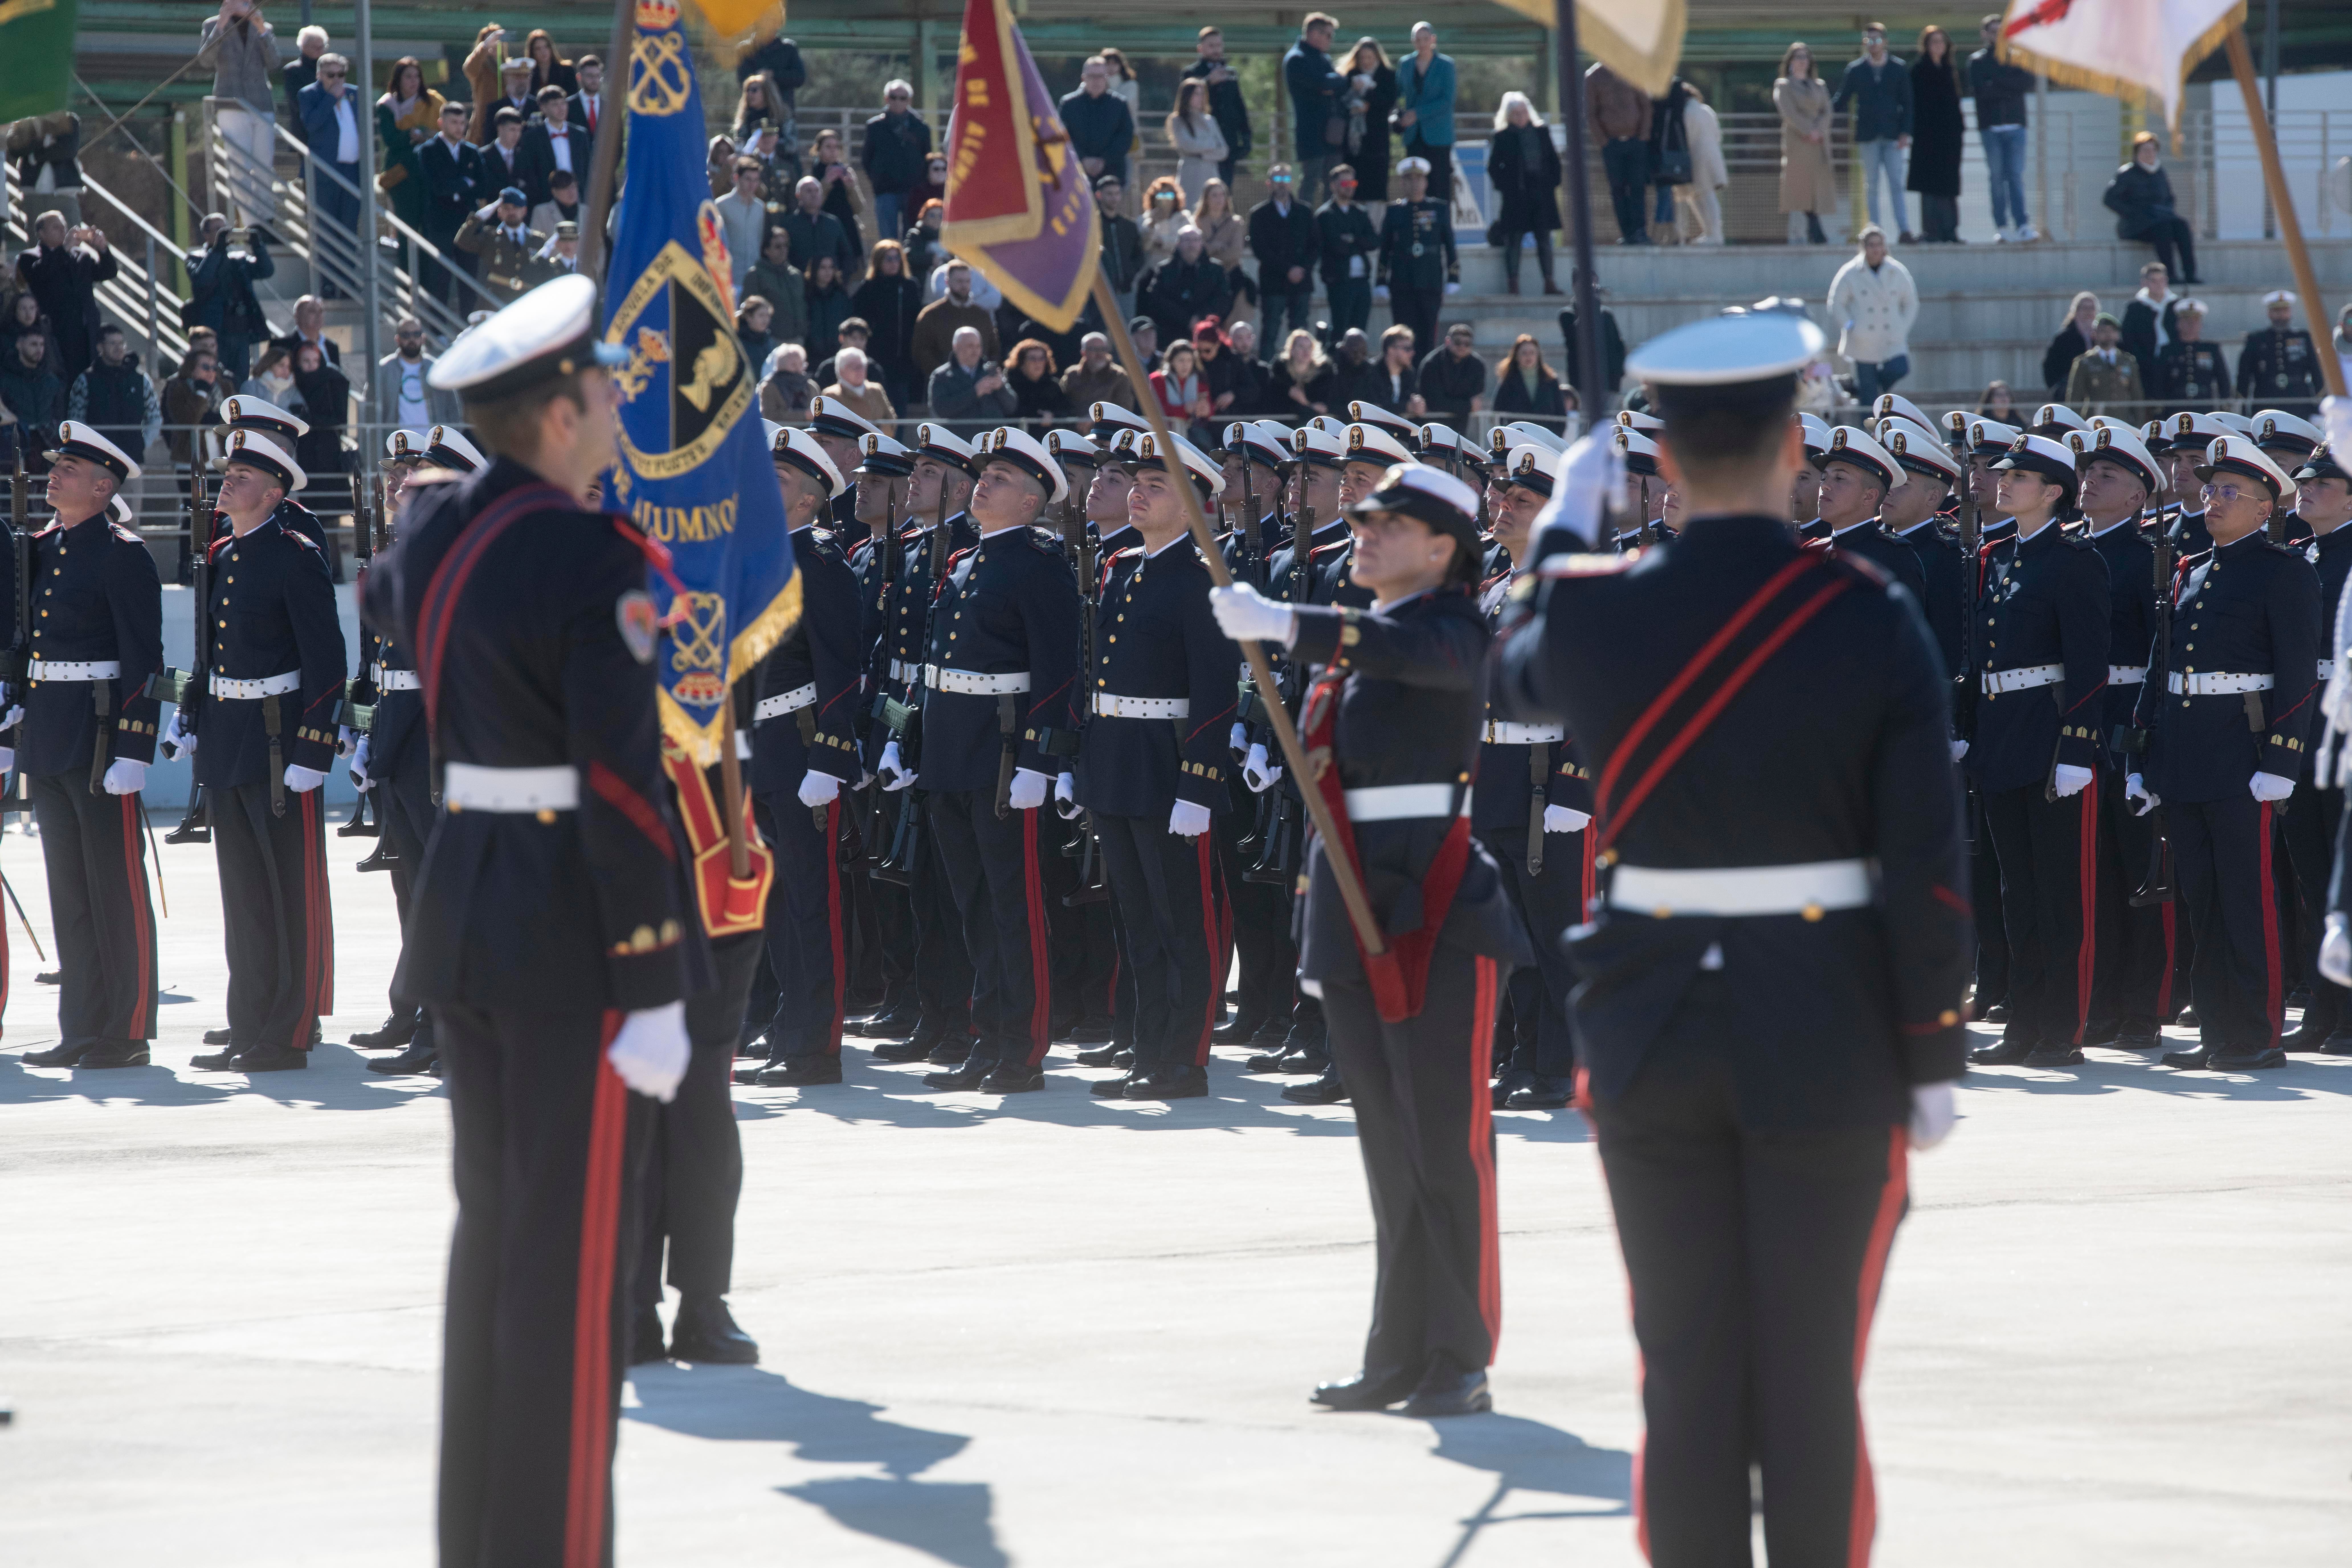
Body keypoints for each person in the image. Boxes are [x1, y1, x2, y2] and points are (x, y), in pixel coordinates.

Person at [1495, 304, 1967, 1554]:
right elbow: (1927, 857)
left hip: (1649, 1025)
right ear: (1793, 451)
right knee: (1810, 1380)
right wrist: (1932, 1050)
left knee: (1687, 1375)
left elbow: (1507, 663)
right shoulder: (1867, 610)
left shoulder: (1593, 606)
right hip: (1829, 1027)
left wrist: (1560, 530)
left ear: (1656, 464)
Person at [357, 273, 695, 1561]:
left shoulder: (441, 527)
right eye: (602, 390)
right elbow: (619, 783)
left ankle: (480, 1541)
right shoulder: (592, 559)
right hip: (572, 939)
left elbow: (385, 595)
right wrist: (658, 977)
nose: (616, 406)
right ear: (558, 412)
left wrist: (484, 500)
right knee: (570, 1274)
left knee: (495, 1245)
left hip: (466, 911)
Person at [1212, 454, 1524, 1414]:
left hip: (1434, 912)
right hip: (1352, 914)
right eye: (1362, 520)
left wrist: (1290, 627)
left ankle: (1458, 1353)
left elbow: (1407, 656)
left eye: (1390, 525)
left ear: (1443, 549)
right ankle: (1395, 1351)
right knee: (1387, 1149)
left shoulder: (1454, 626)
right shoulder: (1364, 640)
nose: (1365, 531)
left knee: (1446, 1143)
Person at [879, 427, 1081, 1093]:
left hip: (1001, 758)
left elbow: (1056, 674)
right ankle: (987, 1034)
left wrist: (1039, 760)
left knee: (1012, 905)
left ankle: (1021, 1047)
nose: (982, 485)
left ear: (1030, 503)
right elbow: (936, 670)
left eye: (998, 478)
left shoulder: (1040, 564)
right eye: (983, 474)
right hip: (951, 752)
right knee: (972, 903)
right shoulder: (963, 563)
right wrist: (909, 743)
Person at [2129, 434, 2318, 1071]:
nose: (2213, 499)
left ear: (2267, 508)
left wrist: (2282, 761)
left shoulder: (2285, 570)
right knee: (2202, 899)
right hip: (2188, 755)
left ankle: (2256, 1032)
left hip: (2244, 753)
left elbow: (2297, 674)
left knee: (2245, 896)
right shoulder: (2190, 570)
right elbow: (2165, 669)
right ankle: (2217, 1029)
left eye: (2230, 492)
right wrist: (2144, 755)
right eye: (2211, 489)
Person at [166, 421, 342, 1074]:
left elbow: (327, 659)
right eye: (227, 475)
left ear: (273, 494)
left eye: (241, 479)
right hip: (231, 737)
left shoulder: (294, 555)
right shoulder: (223, 555)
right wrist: (192, 717)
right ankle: (250, 1022)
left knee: (283, 891)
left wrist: (313, 749)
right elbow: (211, 655)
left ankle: (287, 1030)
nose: (226, 484)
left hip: (277, 742)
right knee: (242, 895)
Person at [1068, 428, 1237, 1099]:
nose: (1137, 493)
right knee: (1135, 919)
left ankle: (1183, 1059)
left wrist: (1199, 781)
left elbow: (1215, 690)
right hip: (1118, 761)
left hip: (1169, 768)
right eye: (1135, 483)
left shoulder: (1203, 580)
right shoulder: (1124, 569)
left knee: (1180, 920)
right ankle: (1146, 1048)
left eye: (1155, 486)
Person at [3, 423, 162, 1070]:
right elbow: (23, 649)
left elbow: (143, 659)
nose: (54, 475)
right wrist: (13, 737)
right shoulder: (40, 549)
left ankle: (124, 1030)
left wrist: (136, 747)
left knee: (114, 889)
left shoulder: (123, 554)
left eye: (69, 468)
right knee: (69, 890)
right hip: (48, 732)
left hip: (100, 741)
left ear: (104, 486)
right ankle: (80, 1026)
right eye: (56, 466)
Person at [1959, 429, 2112, 1067]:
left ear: (2054, 493)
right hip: (2003, 736)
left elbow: (2089, 663)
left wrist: (2078, 746)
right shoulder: (1996, 557)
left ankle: (2061, 1028)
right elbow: (1979, 656)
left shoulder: (2075, 561)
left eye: (2019, 478)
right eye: (2004, 475)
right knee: (2015, 893)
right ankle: (2023, 1024)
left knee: (2059, 892)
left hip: (2052, 739)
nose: (2004, 483)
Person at [737, 422, 863, 1094]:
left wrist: (832, 755)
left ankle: (818, 1045)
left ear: (809, 501)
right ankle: (789, 1030)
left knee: (814, 905)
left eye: (777, 479)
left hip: (802, 747)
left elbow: (843, 665)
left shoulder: (818, 560)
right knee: (778, 906)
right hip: (758, 751)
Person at [2284, 440, 2352, 1053]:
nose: (2305, 489)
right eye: (2302, 481)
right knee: (2310, 876)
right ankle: (2323, 1010)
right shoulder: (2299, 556)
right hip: (2304, 730)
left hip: (2345, 732)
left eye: (2323, 483)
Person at [197, 0, 282, 231]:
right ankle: (254, 226)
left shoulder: (264, 26)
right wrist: (223, 23)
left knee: (264, 166)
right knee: (239, 168)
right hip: (230, 103)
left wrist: (261, 28)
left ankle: (267, 220)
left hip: (261, 103)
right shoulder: (213, 25)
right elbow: (205, 60)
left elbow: (274, 63)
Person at [14, 213, 114, 389]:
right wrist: (64, 250)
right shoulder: (30, 257)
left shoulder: (80, 256)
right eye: (56, 228)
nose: (63, 231)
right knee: (64, 387)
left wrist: (103, 249)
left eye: (64, 227)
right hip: (57, 335)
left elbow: (107, 272)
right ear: (41, 233)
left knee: (92, 386)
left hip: (87, 333)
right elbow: (41, 277)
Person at [1835, 22, 1915, 242]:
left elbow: (1908, 103)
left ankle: (1904, 230)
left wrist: (1905, 132)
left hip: (1893, 136)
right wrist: (1819, 113)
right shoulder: (1856, 70)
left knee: (1897, 184)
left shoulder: (1898, 68)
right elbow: (1841, 100)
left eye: (1877, 40)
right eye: (1869, 40)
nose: (1873, 44)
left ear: (1886, 42)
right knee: (1872, 185)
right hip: (1868, 136)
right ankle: (1875, 233)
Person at [1966, 13, 2038, 241]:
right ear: (1985, 34)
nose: (1997, 35)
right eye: (1993, 31)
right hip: (1991, 129)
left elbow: (2028, 83)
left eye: (2001, 30)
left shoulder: (2018, 57)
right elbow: (1981, 92)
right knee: (1996, 177)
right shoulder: (1977, 62)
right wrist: (2008, 84)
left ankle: (2023, 224)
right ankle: (2002, 226)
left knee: (2015, 176)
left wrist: (1997, 81)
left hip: (2016, 127)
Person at [297, 52, 365, 288]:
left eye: (341, 75)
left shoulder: (355, 93)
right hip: (324, 175)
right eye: (331, 75)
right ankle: (326, 284)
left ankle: (347, 284)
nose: (337, 80)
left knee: (348, 230)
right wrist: (330, 99)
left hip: (352, 173)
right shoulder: (310, 94)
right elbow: (312, 125)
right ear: (319, 75)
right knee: (325, 231)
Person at [1827, 225, 1917, 403]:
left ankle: (1867, 388)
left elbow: (1911, 303)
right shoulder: (1851, 272)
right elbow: (1836, 303)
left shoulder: (1897, 271)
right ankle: (1866, 427)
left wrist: (1902, 328)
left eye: (1879, 244)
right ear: (1864, 247)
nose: (1876, 249)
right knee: (1868, 400)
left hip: (1892, 337)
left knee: (1900, 368)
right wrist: (1851, 327)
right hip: (1863, 340)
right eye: (1871, 245)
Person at [181, 215, 274, 387]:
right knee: (216, 380)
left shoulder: (239, 259)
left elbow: (266, 271)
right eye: (218, 230)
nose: (224, 234)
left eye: (226, 230)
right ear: (206, 234)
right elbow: (202, 280)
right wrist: (217, 250)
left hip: (240, 332)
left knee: (241, 382)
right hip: (215, 334)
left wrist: (257, 245)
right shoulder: (195, 258)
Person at [1487, 95, 1561, 295]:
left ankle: (1549, 282)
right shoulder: (1502, 137)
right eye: (1516, 114)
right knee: (1514, 241)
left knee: (1544, 239)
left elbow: (1554, 162)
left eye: (1524, 112)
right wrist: (1506, 187)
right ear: (1509, 116)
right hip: (1516, 197)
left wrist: (1552, 183)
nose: (1521, 117)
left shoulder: (1542, 133)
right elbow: (1494, 168)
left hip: (1542, 195)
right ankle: (1513, 285)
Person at [2104, 131, 2198, 285]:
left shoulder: (2160, 173)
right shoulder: (2127, 173)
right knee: (2164, 230)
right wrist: (2135, 214)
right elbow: (2110, 199)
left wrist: (2166, 212)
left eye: (2153, 149)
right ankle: (2171, 276)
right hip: (2136, 226)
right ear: (2137, 153)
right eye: (2145, 150)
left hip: (2161, 219)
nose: (2150, 153)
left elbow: (2169, 198)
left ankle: (2190, 275)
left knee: (2182, 226)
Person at [419, 102, 488, 306]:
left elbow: (483, 188)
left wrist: (455, 187)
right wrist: (465, 183)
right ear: (441, 124)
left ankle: (469, 327)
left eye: (462, 122)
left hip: (468, 223)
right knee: (440, 279)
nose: (460, 127)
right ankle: (438, 333)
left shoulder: (472, 152)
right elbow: (435, 187)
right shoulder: (428, 151)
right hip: (440, 223)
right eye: (454, 122)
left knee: (469, 279)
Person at [1248, 166, 1320, 363]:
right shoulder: (1259, 214)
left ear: (1292, 182)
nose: (1282, 182)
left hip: (1302, 281)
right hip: (1273, 283)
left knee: (1301, 332)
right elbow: (1260, 249)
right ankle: (1266, 371)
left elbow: (1315, 246)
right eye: (1277, 178)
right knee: (1270, 331)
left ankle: (1301, 372)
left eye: (1286, 178)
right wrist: (1287, 270)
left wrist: (1302, 269)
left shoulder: (1305, 211)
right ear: (1269, 183)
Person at [68, 325, 162, 467]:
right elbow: (76, 420)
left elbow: (155, 418)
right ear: (100, 348)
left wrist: (142, 444)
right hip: (97, 461)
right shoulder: (86, 380)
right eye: (112, 343)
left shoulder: (141, 380)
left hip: (133, 461)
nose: (119, 348)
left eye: (121, 343)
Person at [850, 239, 924, 413]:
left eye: (897, 259)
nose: (893, 263)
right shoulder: (868, 289)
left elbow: (916, 321)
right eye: (888, 259)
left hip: (904, 361)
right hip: (877, 360)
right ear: (879, 262)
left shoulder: (910, 286)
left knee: (900, 411)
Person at [1584, 61, 1652, 246]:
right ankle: (1628, 234)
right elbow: (1591, 114)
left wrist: (1643, 137)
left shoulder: (1634, 70)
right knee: (1618, 189)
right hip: (1612, 145)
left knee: (1638, 188)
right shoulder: (1593, 77)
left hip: (1635, 142)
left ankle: (1641, 232)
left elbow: (1646, 105)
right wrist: (1604, 143)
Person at [376, 57, 447, 234]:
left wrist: (427, 135)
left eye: (417, 77)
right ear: (398, 80)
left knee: (429, 227)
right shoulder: (387, 105)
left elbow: (449, 132)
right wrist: (410, 135)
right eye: (408, 77)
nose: (414, 81)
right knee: (406, 227)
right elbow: (391, 140)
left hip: (430, 171)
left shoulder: (434, 102)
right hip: (401, 171)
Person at [1285, 13, 1349, 205]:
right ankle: (1304, 228)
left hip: (1331, 135)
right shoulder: (1297, 59)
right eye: (1328, 35)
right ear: (1314, 34)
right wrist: (1339, 81)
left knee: (1335, 184)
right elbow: (1323, 83)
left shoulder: (1323, 59)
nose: (1331, 40)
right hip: (1311, 135)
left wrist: (1333, 84)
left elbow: (1334, 86)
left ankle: (1330, 227)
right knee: (1310, 185)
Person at [1907, 26, 1965, 242]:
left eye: (1942, 42)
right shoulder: (1919, 70)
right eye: (1934, 42)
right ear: (1926, 45)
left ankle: (1950, 231)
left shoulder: (1950, 69)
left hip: (1950, 139)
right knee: (1929, 186)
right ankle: (1932, 231)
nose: (1938, 46)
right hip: (1927, 138)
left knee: (1949, 186)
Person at [1775, 42, 1835, 245]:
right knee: (1799, 189)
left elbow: (1827, 110)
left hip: (1819, 143)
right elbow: (1788, 113)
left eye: (1805, 57)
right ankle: (1806, 234)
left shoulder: (1820, 86)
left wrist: (1819, 131)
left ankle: (1814, 231)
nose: (1802, 61)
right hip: (1798, 142)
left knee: (1817, 188)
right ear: (1790, 61)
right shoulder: (1783, 85)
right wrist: (1809, 131)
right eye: (1798, 57)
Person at [861, 79, 931, 249]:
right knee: (888, 242)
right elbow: (866, 159)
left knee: (913, 240)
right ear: (887, 99)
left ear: (909, 100)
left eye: (903, 98)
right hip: (886, 192)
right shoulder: (875, 127)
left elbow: (927, 158)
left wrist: (921, 184)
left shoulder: (921, 128)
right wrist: (878, 180)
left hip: (913, 191)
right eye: (894, 97)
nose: (898, 101)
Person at [2236, 289, 2325, 419]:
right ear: (2270, 313)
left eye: (2285, 311)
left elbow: (2316, 371)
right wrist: (2243, 405)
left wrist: (2320, 402)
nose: (2281, 315)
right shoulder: (2256, 340)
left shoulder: (2304, 338)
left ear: (2290, 313)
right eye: (2277, 311)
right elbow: (2244, 375)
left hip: (2299, 401)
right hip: (2266, 401)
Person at [1183, 27, 1254, 189]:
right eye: (1211, 46)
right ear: (1201, 49)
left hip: (1227, 143)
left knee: (1224, 189)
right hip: (1203, 144)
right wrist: (1208, 83)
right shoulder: (1191, 73)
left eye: (1219, 46)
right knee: (1202, 190)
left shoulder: (1231, 73)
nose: (1217, 50)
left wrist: (1246, 136)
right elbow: (1186, 102)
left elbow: (1239, 106)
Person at [1394, 23, 1457, 204]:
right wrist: (1399, 116)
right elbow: (1397, 93)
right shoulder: (1405, 64)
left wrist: (1417, 114)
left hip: (1439, 137)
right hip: (1414, 136)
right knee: (1414, 186)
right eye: (1417, 40)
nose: (1422, 43)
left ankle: (1442, 230)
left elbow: (1448, 101)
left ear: (1433, 40)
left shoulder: (1446, 65)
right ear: (1413, 42)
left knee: (1440, 186)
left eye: (1425, 39)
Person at [1142, 226, 1234, 350]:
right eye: (1187, 240)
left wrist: (1201, 318)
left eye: (1196, 240)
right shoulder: (1164, 270)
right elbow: (1156, 301)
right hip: (1172, 333)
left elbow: (1224, 300)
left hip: (1207, 335)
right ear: (1178, 244)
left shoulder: (1217, 270)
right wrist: (1187, 320)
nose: (1192, 245)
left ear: (1202, 244)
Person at [910, 261, 999, 382]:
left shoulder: (982, 315)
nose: (964, 286)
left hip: (980, 383)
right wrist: (943, 375)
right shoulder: (931, 315)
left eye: (967, 281)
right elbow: (921, 352)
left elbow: (994, 349)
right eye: (959, 281)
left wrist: (986, 374)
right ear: (948, 282)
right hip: (944, 385)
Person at [1316, 166, 1378, 339]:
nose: (1349, 187)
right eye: (1344, 183)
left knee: (1360, 331)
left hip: (1362, 282)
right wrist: (1359, 241)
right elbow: (1336, 246)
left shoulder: (1361, 212)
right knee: (1341, 330)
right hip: (1339, 281)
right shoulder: (1325, 215)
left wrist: (1352, 239)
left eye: (1352, 182)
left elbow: (1373, 242)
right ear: (1333, 186)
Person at [455, 187, 549, 300]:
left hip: (528, 301)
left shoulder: (538, 240)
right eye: (506, 208)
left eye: (516, 207)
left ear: (524, 211)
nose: (511, 212)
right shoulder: (490, 236)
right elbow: (462, 241)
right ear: (499, 213)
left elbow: (545, 273)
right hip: (497, 300)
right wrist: (478, 218)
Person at [1061, 56, 1136, 191]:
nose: (1097, 81)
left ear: (1107, 78)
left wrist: (1104, 160)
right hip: (1077, 174)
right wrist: (1082, 159)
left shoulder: (1119, 105)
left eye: (1101, 76)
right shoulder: (1069, 105)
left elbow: (1126, 137)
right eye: (1092, 77)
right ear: (1084, 78)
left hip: (1112, 176)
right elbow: (1063, 136)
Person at [1338, 40, 1398, 205]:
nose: (1366, 61)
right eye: (1363, 58)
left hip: (1377, 139)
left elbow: (1389, 102)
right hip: (1354, 140)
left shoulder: (1388, 76)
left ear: (1378, 57)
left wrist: (1368, 102)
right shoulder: (1351, 75)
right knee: (1355, 182)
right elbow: (1342, 103)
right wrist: (1354, 94)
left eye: (1370, 57)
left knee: (1376, 184)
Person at [927, 326, 1016, 432]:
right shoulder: (941, 376)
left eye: (978, 346)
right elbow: (941, 410)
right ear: (956, 347)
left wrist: (1001, 388)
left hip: (992, 440)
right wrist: (975, 392)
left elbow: (1012, 407)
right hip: (960, 440)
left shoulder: (991, 372)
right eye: (970, 346)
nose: (976, 351)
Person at [1557, 280, 1627, 414]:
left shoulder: (1606, 315)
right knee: (1584, 427)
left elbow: (1619, 346)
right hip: (1582, 383)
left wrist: (1618, 373)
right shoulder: (1567, 315)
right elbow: (1575, 340)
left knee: (1609, 427)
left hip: (1609, 383)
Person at [518, 86, 591, 210]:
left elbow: (587, 168)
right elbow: (529, 172)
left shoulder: (580, 135)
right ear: (543, 108)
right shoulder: (532, 138)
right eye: (555, 105)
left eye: (564, 104)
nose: (561, 109)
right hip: (547, 200)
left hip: (577, 199)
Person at [1673, 84, 1727, 246]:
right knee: (1706, 195)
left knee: (1703, 196)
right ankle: (1712, 233)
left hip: (1696, 157)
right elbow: (1718, 135)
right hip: (1713, 154)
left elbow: (1684, 140)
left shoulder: (1685, 113)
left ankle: (1714, 235)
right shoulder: (1706, 109)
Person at [2154, 298, 2230, 413]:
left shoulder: (2211, 349)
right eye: (2187, 320)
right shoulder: (2168, 351)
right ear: (2178, 324)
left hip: (2205, 407)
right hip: (2176, 407)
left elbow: (2223, 379)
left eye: (2196, 320)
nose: (2191, 324)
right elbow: (2159, 381)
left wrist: (2225, 403)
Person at [2063, 313, 2145, 418]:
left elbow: (2137, 395)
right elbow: (2075, 398)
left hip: (2124, 421)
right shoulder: (2085, 362)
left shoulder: (2128, 361)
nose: (2108, 335)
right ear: (2095, 334)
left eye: (2112, 331)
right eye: (2103, 331)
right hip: (2095, 421)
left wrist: (2138, 424)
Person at [744, 226, 808, 355]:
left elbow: (803, 305)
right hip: (770, 342)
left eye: (786, 246)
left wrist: (803, 331)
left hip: (797, 340)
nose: (784, 250)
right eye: (778, 247)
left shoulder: (796, 275)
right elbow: (748, 311)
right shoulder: (756, 275)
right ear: (767, 250)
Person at [1166, 81, 1230, 210]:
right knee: (1189, 208)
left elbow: (1224, 151)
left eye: (1202, 94)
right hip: (1191, 173)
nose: (1200, 98)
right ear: (1187, 96)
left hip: (1211, 172)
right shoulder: (1178, 120)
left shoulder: (1211, 120)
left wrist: (1202, 154)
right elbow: (1188, 145)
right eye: (1196, 94)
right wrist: (1212, 145)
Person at [782, 174, 856, 285]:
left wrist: (841, 279)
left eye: (817, 191)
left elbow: (847, 255)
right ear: (798, 196)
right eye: (809, 191)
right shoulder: (789, 224)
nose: (814, 195)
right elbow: (783, 257)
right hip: (800, 286)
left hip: (830, 288)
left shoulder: (833, 223)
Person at [1489, 333, 1569, 433]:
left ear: (1538, 355)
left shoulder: (1551, 380)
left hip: (1546, 437)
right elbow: (1497, 411)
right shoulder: (1508, 380)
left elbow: (1561, 413)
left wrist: (1556, 437)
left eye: (1532, 353)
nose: (1529, 357)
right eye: (1524, 353)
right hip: (1517, 436)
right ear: (1516, 356)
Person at [1095, 175, 1146, 330]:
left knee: (1127, 331)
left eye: (1117, 194)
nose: (1114, 198)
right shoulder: (1093, 225)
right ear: (1099, 196)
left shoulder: (1129, 226)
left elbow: (1139, 256)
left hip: (1126, 291)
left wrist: (1131, 273)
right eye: (1109, 194)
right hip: (1101, 293)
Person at [2119, 261, 2179, 380]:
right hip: (2144, 365)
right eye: (2153, 281)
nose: (2159, 284)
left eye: (2162, 280)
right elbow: (2128, 338)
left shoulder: (2176, 307)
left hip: (2173, 362)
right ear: (2144, 283)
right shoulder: (2135, 309)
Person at [1418, 323, 1487, 426]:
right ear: (1448, 341)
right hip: (1433, 425)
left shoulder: (1478, 365)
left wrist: (1465, 406)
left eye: (1467, 344)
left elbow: (1477, 403)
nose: (1462, 347)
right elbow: (1435, 404)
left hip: (1462, 425)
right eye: (1458, 342)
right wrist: (1468, 406)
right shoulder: (1432, 364)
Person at [1271, 328, 1337, 423]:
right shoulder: (1280, 371)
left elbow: (1325, 406)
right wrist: (1311, 406)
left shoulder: (1324, 374)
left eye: (1310, 347)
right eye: (1301, 347)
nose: (1306, 351)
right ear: (1292, 350)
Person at [2042, 290, 2098, 401]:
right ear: (2076, 311)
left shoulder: (2102, 337)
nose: (2089, 312)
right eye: (2085, 308)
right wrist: (2058, 389)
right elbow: (2049, 367)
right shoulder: (2064, 338)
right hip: (2070, 392)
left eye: (2092, 308)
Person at [1005, 340, 1069, 429]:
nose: (1038, 362)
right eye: (1032, 359)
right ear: (1021, 362)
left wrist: (1052, 416)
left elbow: (1066, 412)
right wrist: (1037, 417)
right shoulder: (1010, 385)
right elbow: (1012, 412)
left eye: (1042, 359)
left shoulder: (1054, 386)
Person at [1138, 178, 1191, 274]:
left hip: (1179, 270)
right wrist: (1152, 224)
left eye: (1169, 196)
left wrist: (1162, 243)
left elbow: (1189, 243)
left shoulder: (1184, 219)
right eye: (1161, 196)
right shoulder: (1143, 220)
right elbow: (1145, 246)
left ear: (1176, 199)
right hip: (1152, 271)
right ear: (1154, 198)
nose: (1165, 200)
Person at [804, 255, 852, 355]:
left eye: (831, 267)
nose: (828, 272)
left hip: (838, 352)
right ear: (815, 270)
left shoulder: (841, 295)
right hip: (812, 352)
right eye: (823, 268)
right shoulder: (806, 295)